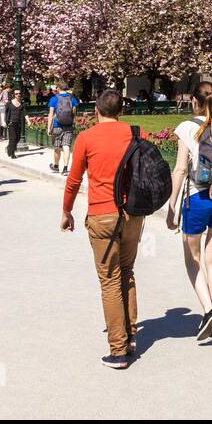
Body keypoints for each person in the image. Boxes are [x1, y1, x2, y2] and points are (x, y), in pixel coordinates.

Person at [60, 89, 138, 369]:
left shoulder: (87, 138)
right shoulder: (134, 133)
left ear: (97, 110)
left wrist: (67, 210)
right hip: (132, 213)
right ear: (120, 111)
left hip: (102, 213)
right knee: (127, 273)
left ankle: (118, 349)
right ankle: (130, 335)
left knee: (109, 280)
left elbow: (73, 180)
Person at [166, 83, 212, 341]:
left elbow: (180, 170)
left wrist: (171, 206)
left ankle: (208, 310)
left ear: (194, 103)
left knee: (192, 258)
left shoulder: (188, 128)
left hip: (197, 197)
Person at [47, 83, 79, 175]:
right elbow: (74, 114)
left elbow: (51, 114)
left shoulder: (54, 99)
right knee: (66, 146)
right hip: (68, 126)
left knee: (57, 147)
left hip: (57, 125)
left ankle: (56, 166)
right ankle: (65, 168)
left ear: (58, 88)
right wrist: (73, 124)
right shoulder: (72, 99)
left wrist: (49, 128)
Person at [4, 88, 25, 158]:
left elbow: (25, 113)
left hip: (18, 123)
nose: (18, 95)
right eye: (16, 94)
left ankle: (9, 147)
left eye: (19, 93)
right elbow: (4, 113)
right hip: (11, 123)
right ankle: (12, 153)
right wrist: (4, 122)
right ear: (14, 95)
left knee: (18, 138)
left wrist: (28, 121)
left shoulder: (21, 103)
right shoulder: (9, 103)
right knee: (13, 138)